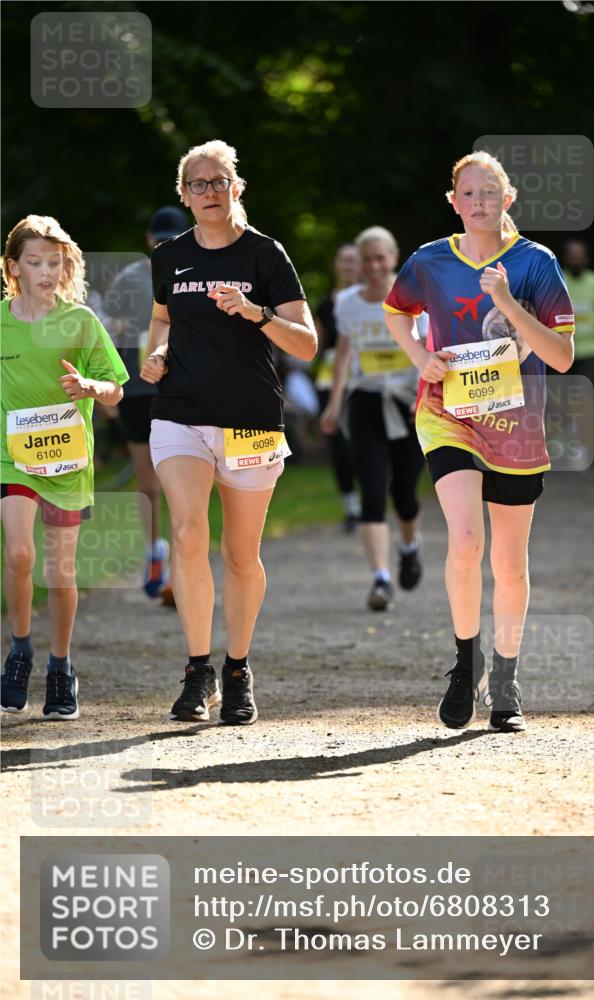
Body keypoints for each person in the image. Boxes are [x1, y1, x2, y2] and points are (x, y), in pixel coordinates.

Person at [384, 151, 575, 733]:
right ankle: (465, 665)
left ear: (508, 199)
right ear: (453, 203)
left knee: (509, 564)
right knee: (466, 540)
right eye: (468, 193)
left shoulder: (534, 263)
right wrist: (421, 357)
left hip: (517, 428)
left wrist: (508, 302)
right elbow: (396, 312)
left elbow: (562, 357)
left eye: (490, 192)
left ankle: (507, 680)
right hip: (449, 415)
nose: (479, 202)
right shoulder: (429, 261)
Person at [139, 139, 317, 725]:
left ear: (237, 188)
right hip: (179, 412)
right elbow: (162, 321)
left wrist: (255, 313)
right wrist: (157, 353)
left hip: (250, 420)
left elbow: (307, 342)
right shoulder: (170, 256)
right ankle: (198, 669)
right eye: (199, 184)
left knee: (240, 554)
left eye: (220, 182)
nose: (210, 192)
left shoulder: (265, 255)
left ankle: (237, 669)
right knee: (189, 533)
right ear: (184, 196)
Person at [0, 215, 128, 719]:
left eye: (55, 262)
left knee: (60, 570)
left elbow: (115, 388)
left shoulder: (80, 322)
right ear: (14, 268)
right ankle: (19, 650)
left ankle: (60, 666)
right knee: (19, 554)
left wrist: (92, 388)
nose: (47, 271)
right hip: (13, 457)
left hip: (68, 460)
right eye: (35, 262)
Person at [321, 227, 427, 611]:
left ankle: (410, 546)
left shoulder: (415, 297)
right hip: (365, 402)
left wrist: (426, 397)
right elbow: (344, 352)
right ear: (359, 263)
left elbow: (431, 351)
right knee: (371, 489)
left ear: (394, 258)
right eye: (367, 258)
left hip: (410, 404)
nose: (374, 265)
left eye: (381, 257)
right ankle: (381, 579)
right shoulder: (347, 302)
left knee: (404, 495)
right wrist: (334, 404)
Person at [105, 206, 189, 603]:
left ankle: (178, 567)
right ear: (148, 240)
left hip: (181, 389)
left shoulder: (195, 271)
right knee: (148, 482)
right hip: (138, 389)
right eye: (159, 240)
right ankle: (154, 550)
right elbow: (107, 333)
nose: (164, 246)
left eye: (171, 239)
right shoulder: (129, 279)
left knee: (180, 482)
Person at [314, 243, 361, 531]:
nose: (348, 266)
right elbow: (315, 345)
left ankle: (372, 503)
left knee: (363, 443)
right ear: (336, 265)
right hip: (329, 379)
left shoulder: (371, 300)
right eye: (343, 261)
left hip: (363, 379)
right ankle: (351, 508)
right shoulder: (324, 304)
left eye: (353, 261)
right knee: (338, 445)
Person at [561, 239, 594, 390]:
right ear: (566, 258)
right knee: (564, 392)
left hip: (592, 346)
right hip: (562, 346)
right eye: (572, 256)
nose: (576, 260)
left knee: (586, 389)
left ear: (586, 258)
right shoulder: (557, 279)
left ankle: (584, 413)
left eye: (580, 256)